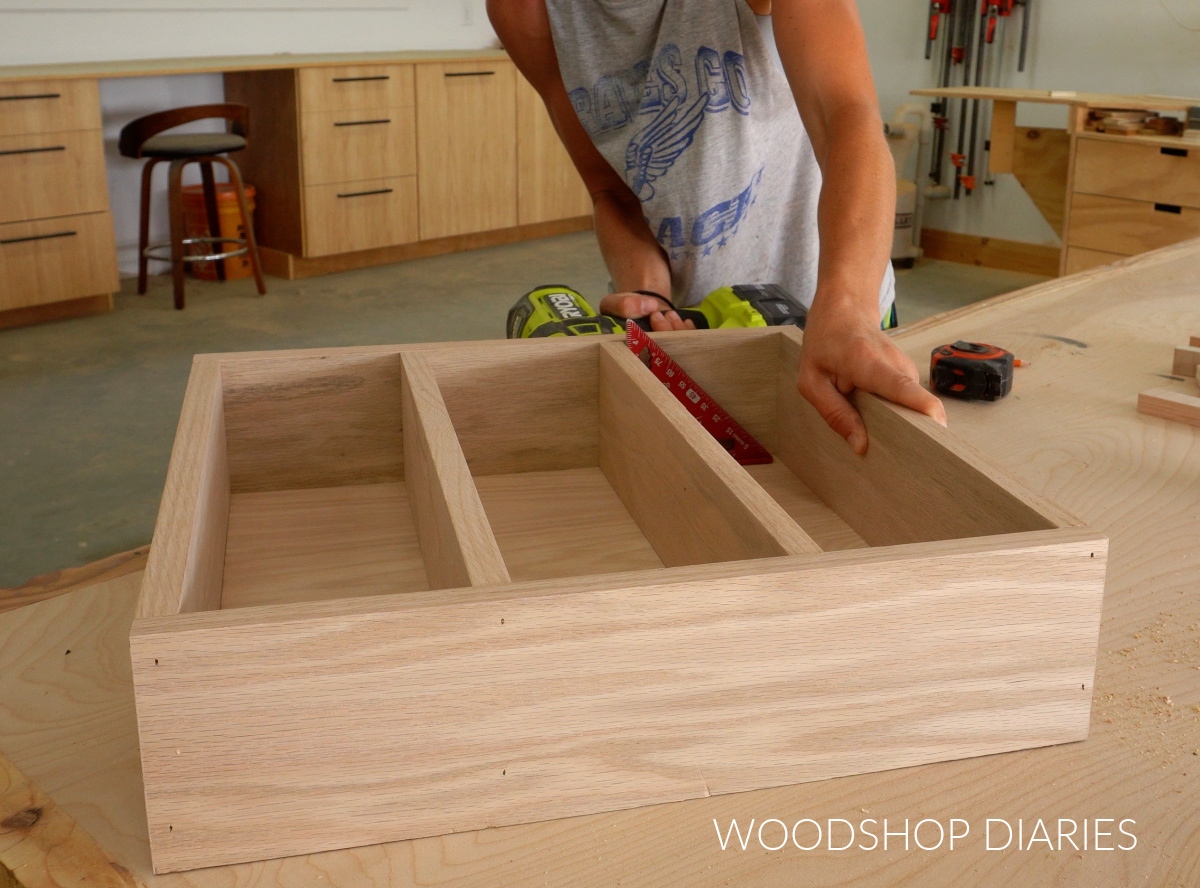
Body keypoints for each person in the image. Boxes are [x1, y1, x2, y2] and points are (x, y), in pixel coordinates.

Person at [487, 0, 946, 454]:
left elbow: (846, 115)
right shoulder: (524, 10)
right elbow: (614, 192)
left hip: (837, 319)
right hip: (694, 333)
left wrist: (849, 308)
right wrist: (649, 294)